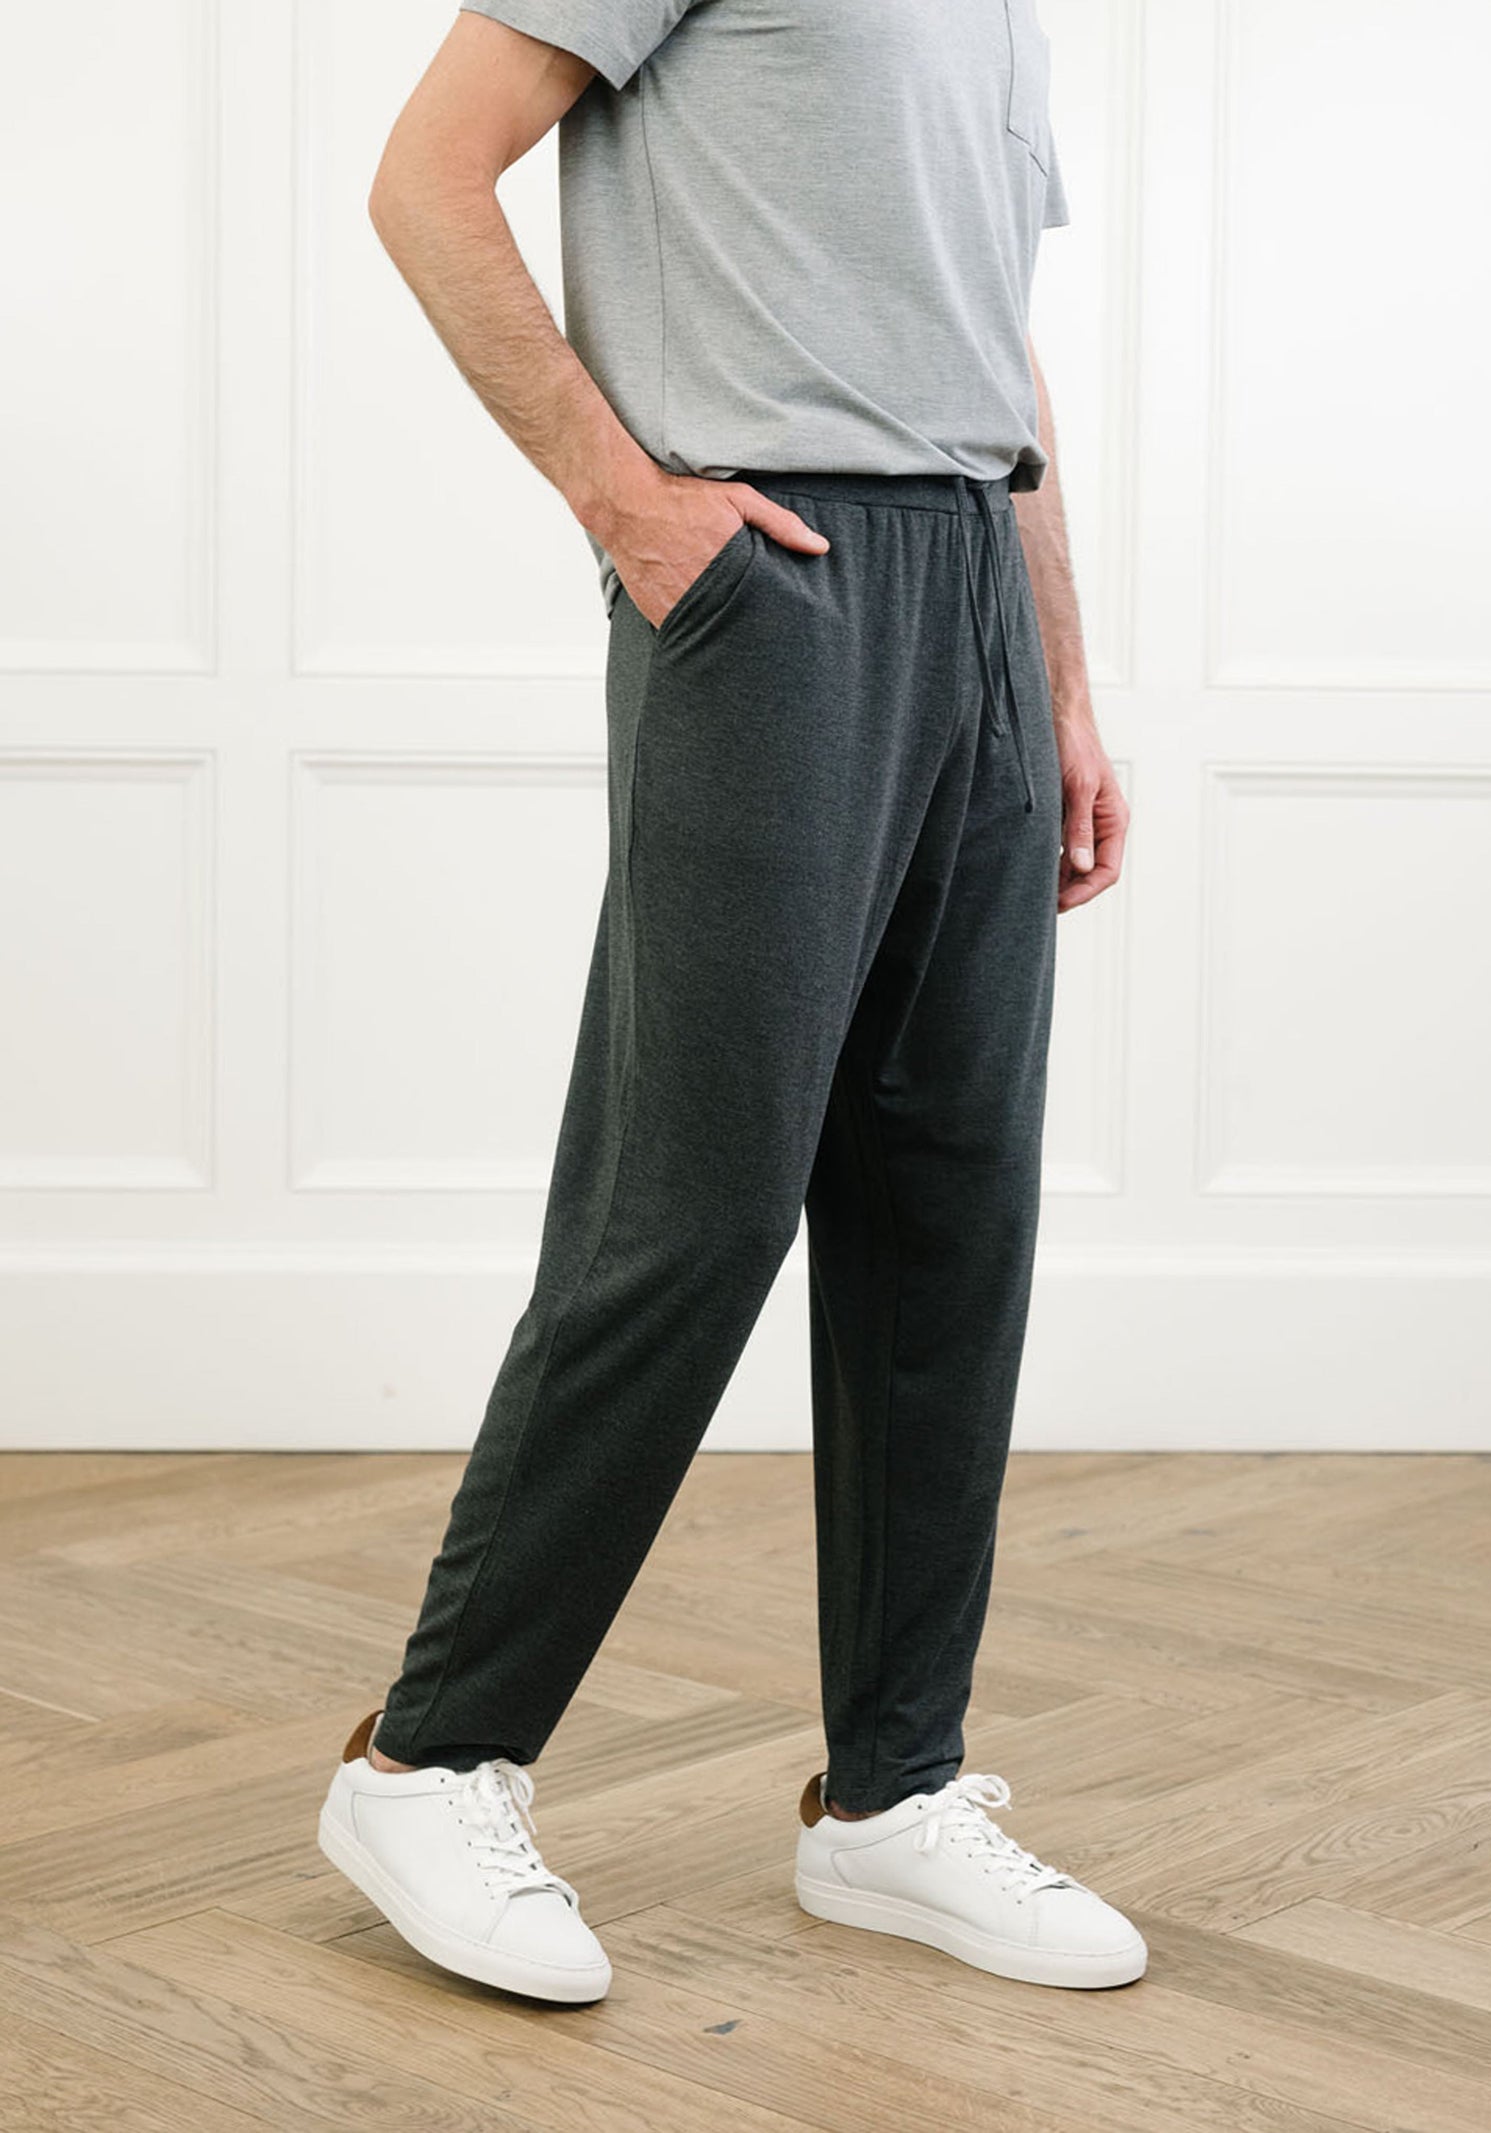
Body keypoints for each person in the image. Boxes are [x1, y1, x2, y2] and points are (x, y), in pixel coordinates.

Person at [317, 0, 1137, 2004]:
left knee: (952, 1201)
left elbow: (982, 352)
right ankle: (429, 1756)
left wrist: (1061, 679)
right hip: (768, 569)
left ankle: (891, 1792)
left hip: (965, 583)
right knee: (689, 1195)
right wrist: (627, 502)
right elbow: (424, 180)